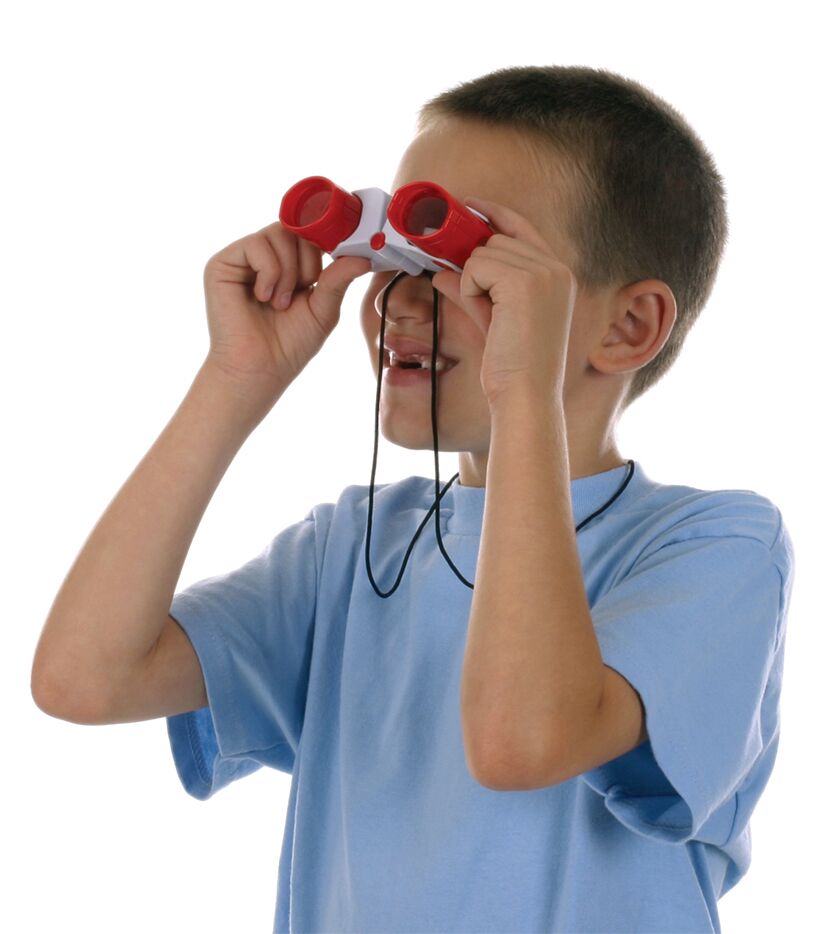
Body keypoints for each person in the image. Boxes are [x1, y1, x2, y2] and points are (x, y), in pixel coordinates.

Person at [31, 65, 795, 934]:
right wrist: (235, 378)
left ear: (625, 329)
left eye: (471, 265)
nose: (400, 297)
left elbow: (521, 741)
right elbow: (82, 680)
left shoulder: (714, 544)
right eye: (396, 254)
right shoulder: (350, 548)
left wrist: (523, 395)